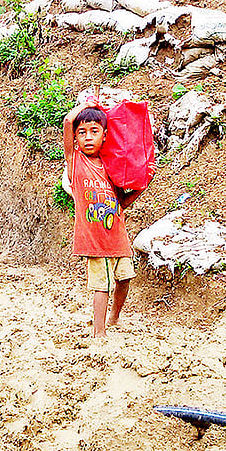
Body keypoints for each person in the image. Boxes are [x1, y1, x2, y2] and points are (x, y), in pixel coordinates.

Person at [63, 102, 144, 338]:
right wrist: (88, 105)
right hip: (94, 240)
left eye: (94, 131)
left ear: (105, 135)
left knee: (125, 279)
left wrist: (142, 185)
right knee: (102, 285)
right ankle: (99, 333)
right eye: (82, 132)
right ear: (76, 137)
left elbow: (121, 203)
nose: (88, 138)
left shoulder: (112, 168)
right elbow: (68, 122)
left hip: (118, 236)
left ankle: (115, 318)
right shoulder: (76, 162)